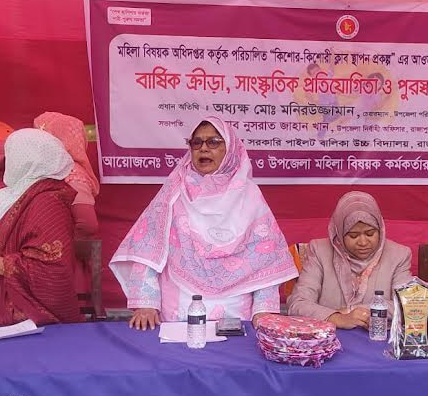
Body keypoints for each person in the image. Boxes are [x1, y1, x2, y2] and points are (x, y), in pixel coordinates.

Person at [110, 117, 298, 330]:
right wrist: (147, 304)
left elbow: (266, 260)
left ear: (231, 149)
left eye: (214, 142)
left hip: (236, 312)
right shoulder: (174, 193)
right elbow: (147, 250)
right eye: (196, 142)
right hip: (179, 309)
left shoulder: (251, 197)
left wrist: (263, 311)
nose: (204, 149)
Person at [0, 129, 85, 327]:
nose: (7, 162)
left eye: (10, 156)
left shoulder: (47, 202)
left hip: (28, 323)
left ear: (25, 160)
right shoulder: (21, 192)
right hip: (0, 312)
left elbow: (51, 268)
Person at [286, 191, 412, 329]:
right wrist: (336, 318)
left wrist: (355, 310)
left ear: (380, 230)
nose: (363, 242)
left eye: (370, 233)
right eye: (353, 236)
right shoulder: (320, 251)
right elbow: (298, 303)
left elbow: (407, 304)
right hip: (328, 336)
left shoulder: (398, 255)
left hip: (376, 337)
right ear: (340, 233)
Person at [33, 112, 100, 239]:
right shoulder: (41, 169)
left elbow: (88, 225)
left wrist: (60, 244)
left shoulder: (73, 175)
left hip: (57, 248)